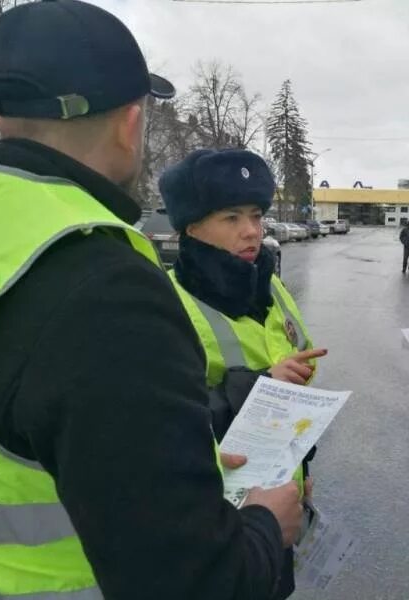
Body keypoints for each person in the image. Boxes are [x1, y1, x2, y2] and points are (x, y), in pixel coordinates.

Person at [0, 2, 302, 598]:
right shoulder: (100, 279)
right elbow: (193, 580)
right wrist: (262, 526)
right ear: (130, 122)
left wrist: (174, 456)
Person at [159, 149, 327, 600]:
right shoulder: (168, 304)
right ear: (190, 227)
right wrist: (262, 386)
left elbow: (295, 380)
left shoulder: (268, 285)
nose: (251, 231)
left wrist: (300, 466)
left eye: (255, 215)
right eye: (231, 218)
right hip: (215, 519)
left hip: (278, 504)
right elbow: (163, 425)